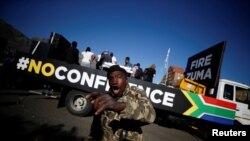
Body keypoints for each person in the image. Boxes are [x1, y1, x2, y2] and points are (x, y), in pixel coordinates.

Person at [86, 65, 156, 141]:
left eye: (119, 77)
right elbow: (95, 130)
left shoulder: (136, 93)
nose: (114, 81)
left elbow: (151, 115)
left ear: (126, 80)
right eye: (111, 78)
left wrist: (121, 106)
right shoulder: (106, 99)